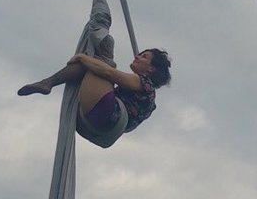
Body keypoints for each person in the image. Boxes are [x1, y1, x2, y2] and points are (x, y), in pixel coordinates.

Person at [18, 39, 171, 148]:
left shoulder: (144, 84)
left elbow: (108, 72)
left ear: (151, 69)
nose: (137, 57)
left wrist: (82, 57)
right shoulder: (149, 100)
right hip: (99, 132)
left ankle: (48, 83)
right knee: (96, 63)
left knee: (100, 61)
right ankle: (48, 83)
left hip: (106, 114)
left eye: (144, 57)